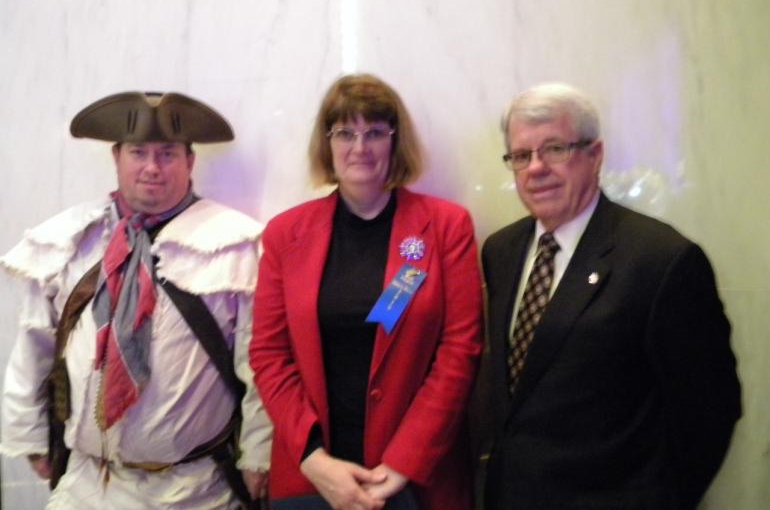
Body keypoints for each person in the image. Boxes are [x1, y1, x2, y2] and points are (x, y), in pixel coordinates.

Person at [0, 91, 272, 509]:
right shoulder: (69, 241)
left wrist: (258, 454)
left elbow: (257, 362)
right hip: (87, 487)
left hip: (198, 490)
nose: (151, 167)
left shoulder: (234, 246)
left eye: (167, 153)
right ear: (116, 158)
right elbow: (35, 344)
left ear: (190, 162)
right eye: (138, 152)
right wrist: (29, 438)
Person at [480, 82, 742, 510]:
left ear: (595, 155)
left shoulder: (662, 260)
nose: (536, 168)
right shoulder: (501, 251)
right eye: (521, 155)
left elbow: (709, 410)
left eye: (555, 149)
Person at [249, 74, 483, 510]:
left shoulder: (446, 227)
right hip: (312, 478)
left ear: (395, 141)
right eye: (345, 132)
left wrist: (402, 462)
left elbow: (460, 350)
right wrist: (314, 459)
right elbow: (268, 354)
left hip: (415, 477)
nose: (360, 146)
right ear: (328, 143)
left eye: (374, 132)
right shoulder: (286, 234)